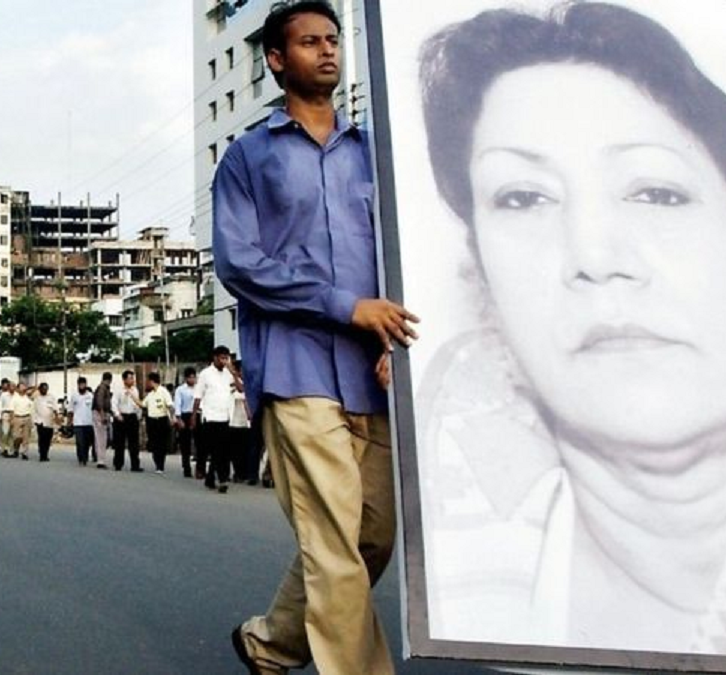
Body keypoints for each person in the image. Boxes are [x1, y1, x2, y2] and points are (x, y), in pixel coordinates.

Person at [412, 2, 726, 663]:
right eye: (524, 197)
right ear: (485, 293)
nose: (594, 254)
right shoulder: (481, 584)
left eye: (655, 192)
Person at [213, 4, 418, 670]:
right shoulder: (248, 158)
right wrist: (343, 306)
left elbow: (403, 253)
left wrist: (393, 335)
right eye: (310, 41)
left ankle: (269, 642)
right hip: (295, 372)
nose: (328, 50)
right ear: (276, 60)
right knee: (333, 546)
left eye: (332, 40)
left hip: (372, 375)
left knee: (375, 538)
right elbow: (238, 263)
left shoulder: (375, 153)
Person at [193, 346, 236, 493]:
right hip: (210, 417)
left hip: (225, 416)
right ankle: (223, 479)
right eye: (222, 357)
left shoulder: (228, 374)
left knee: (223, 450)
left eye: (227, 358)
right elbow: (198, 396)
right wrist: (194, 416)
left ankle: (210, 477)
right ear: (215, 357)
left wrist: (233, 372)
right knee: (217, 450)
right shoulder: (205, 374)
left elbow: (241, 389)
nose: (225, 361)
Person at [143, 372, 175, 474]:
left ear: (152, 381)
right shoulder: (150, 394)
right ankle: (157, 462)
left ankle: (160, 465)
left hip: (161, 419)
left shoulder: (163, 391)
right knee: (153, 443)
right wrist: (132, 397)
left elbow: (170, 406)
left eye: (148, 381)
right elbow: (143, 404)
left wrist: (172, 418)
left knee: (161, 443)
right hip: (151, 420)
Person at [113, 370, 143, 472]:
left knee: (134, 443)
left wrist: (138, 416)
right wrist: (117, 415)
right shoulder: (118, 390)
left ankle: (135, 465)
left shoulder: (135, 390)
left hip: (132, 417)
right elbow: (114, 403)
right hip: (121, 417)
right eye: (130, 378)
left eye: (133, 378)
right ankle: (118, 464)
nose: (132, 380)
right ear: (124, 379)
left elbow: (137, 404)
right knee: (119, 443)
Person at [174, 367, 198, 478]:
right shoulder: (180, 390)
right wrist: (179, 419)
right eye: (190, 377)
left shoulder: (198, 388)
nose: (192, 380)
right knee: (185, 444)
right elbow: (177, 404)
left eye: (194, 377)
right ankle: (186, 467)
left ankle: (200, 468)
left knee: (200, 443)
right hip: (185, 415)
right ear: (186, 378)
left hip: (197, 415)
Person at [69, 377, 96, 466]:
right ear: (78, 385)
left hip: (89, 423)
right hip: (78, 423)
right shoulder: (74, 396)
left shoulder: (91, 396)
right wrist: (70, 422)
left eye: (83, 384)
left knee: (87, 443)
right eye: (80, 384)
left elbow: (94, 409)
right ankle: (81, 458)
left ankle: (85, 457)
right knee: (80, 442)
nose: (82, 386)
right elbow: (70, 410)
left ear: (86, 385)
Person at [91, 371, 114, 469]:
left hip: (101, 413)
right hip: (101, 413)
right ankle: (101, 461)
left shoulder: (102, 387)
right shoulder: (102, 388)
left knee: (100, 437)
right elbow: (99, 402)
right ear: (109, 380)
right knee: (101, 438)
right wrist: (103, 415)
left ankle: (99, 458)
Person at [32, 382, 57, 462]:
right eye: (43, 389)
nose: (44, 390)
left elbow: (55, 408)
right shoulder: (37, 399)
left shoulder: (51, 397)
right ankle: (42, 455)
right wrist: (35, 420)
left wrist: (57, 417)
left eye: (46, 389)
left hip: (49, 422)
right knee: (42, 439)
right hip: (40, 422)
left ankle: (45, 453)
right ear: (39, 390)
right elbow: (34, 410)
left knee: (48, 439)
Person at [9, 383, 34, 460]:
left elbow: (32, 408)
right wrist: (12, 419)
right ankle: (15, 450)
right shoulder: (14, 398)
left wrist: (32, 420)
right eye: (22, 387)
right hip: (17, 417)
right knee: (16, 436)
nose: (24, 388)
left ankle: (24, 453)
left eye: (24, 387)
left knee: (26, 437)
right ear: (18, 389)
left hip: (27, 417)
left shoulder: (28, 398)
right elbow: (11, 410)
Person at [0, 379, 14, 457]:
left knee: (12, 433)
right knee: (5, 432)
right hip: (5, 414)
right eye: (11, 386)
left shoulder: (16, 395)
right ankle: (4, 448)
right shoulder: (3, 395)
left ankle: (10, 450)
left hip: (14, 414)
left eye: (14, 386)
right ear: (9, 387)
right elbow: (0, 405)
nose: (12, 388)